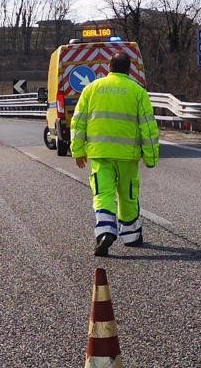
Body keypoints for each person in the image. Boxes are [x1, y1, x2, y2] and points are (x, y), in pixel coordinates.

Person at [71, 52, 159, 257]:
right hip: (127, 155)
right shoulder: (137, 91)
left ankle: (105, 230)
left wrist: (77, 150)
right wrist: (151, 157)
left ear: (109, 67)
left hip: (100, 153)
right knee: (128, 193)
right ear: (129, 70)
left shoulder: (91, 89)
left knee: (103, 192)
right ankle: (131, 235)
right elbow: (148, 127)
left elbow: (78, 121)